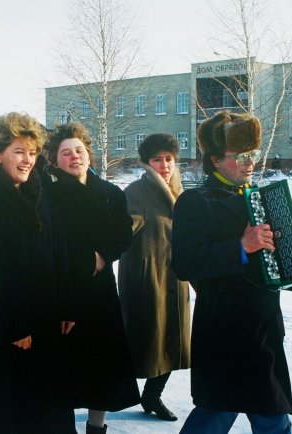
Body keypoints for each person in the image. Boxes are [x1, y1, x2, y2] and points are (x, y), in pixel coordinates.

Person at [172, 111, 292, 433]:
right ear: (214, 160)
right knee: (219, 412)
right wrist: (240, 247)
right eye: (239, 156)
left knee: (271, 412)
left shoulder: (264, 199)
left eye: (252, 154)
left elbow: (291, 261)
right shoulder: (195, 201)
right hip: (224, 329)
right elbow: (184, 263)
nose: (249, 162)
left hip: (264, 327)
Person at [0, 112, 75, 433]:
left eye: (33, 153)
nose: (28, 160)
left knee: (48, 412)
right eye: (19, 152)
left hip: (44, 320)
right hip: (3, 330)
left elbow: (58, 250)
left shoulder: (38, 193)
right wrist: (13, 326)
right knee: (8, 413)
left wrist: (66, 303)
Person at [43, 122, 140, 434]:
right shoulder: (47, 195)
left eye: (79, 151)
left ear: (89, 155)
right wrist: (86, 259)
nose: (74, 157)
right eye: (66, 153)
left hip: (100, 293)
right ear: (55, 160)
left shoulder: (110, 193)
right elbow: (49, 242)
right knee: (64, 368)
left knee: (101, 366)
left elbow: (124, 232)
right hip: (62, 290)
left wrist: (103, 256)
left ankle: (96, 426)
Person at [117, 133, 190, 422]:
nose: (164, 165)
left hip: (175, 276)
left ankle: (152, 395)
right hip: (144, 277)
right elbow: (123, 230)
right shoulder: (135, 191)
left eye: (169, 159)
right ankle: (110, 394)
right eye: (157, 159)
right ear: (147, 162)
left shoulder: (181, 192)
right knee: (144, 340)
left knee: (173, 340)